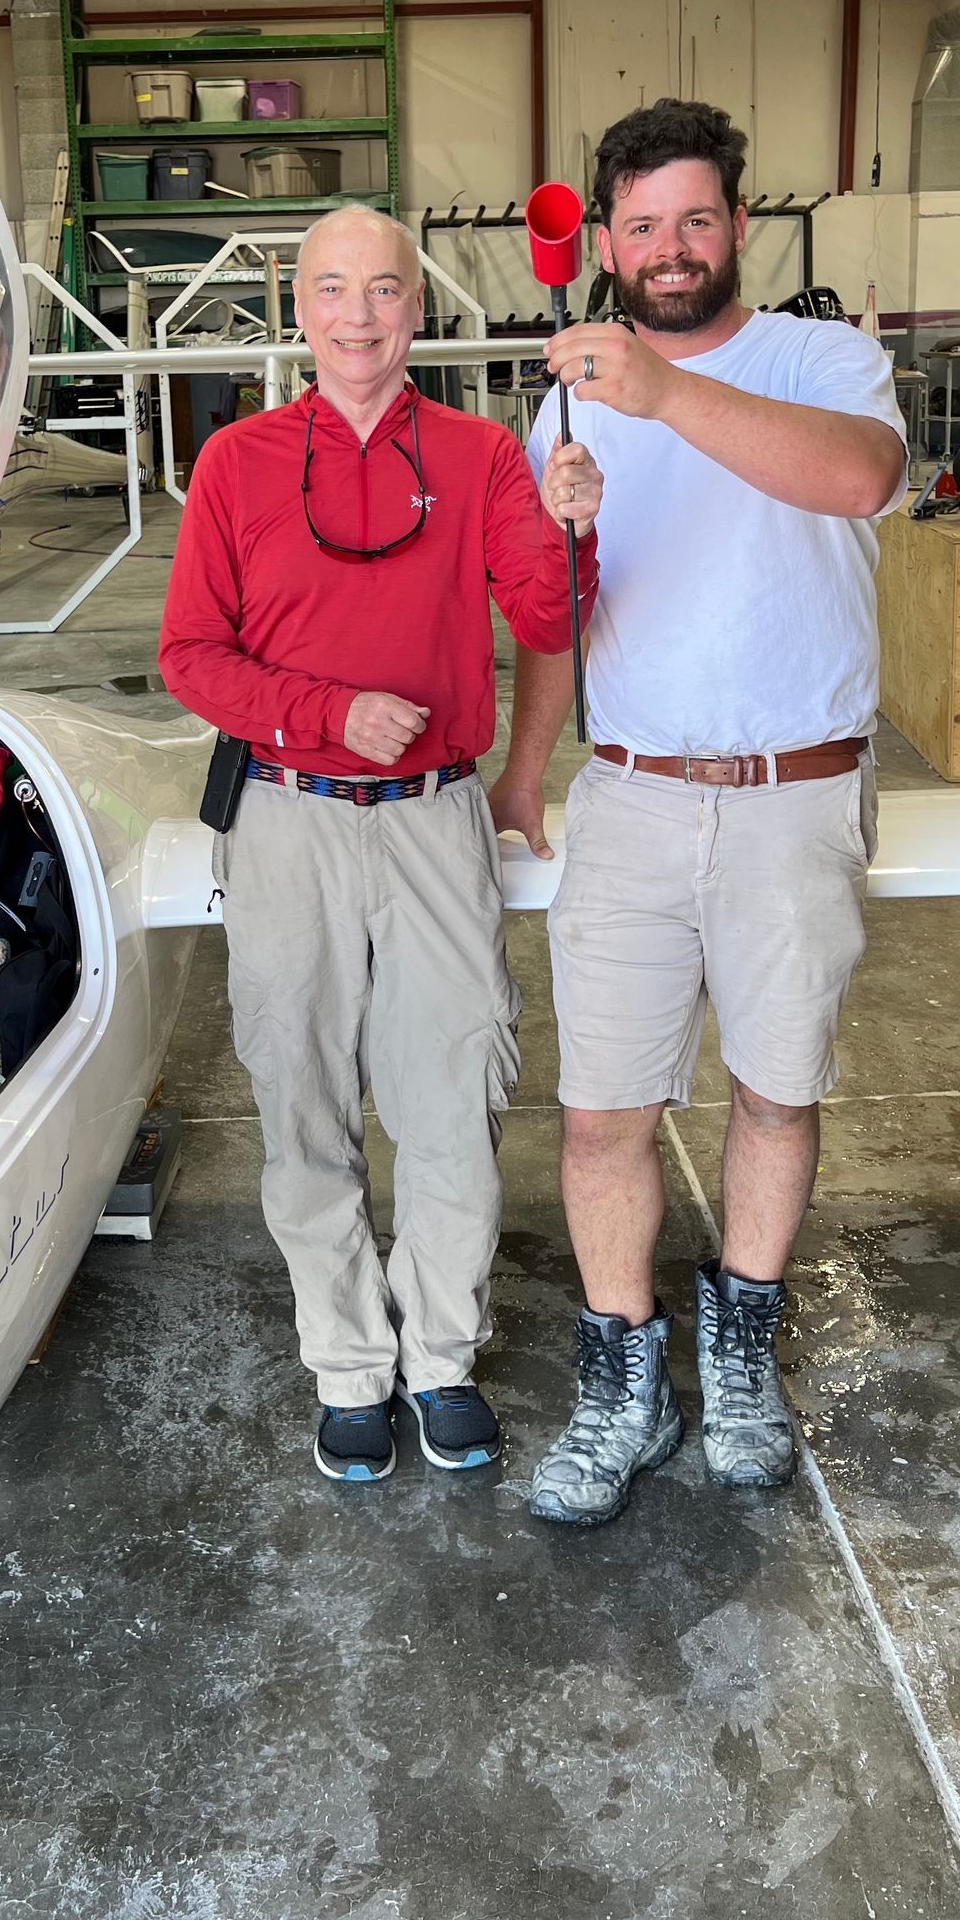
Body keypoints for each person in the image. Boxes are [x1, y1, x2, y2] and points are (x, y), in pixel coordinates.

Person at [488, 100, 908, 1529]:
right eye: (643, 224)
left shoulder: (820, 358)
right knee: (603, 1111)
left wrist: (663, 396)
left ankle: (740, 1350)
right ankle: (622, 1377)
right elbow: (561, 610)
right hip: (638, 796)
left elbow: (860, 480)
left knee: (777, 1090)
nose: (670, 250)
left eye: (696, 220)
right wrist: (525, 759)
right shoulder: (567, 395)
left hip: (797, 794)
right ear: (602, 238)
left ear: (738, 225)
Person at [159, 205, 602, 1485]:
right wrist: (324, 712)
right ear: (299, 309)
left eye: (387, 291)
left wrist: (574, 526)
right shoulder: (238, 463)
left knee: (453, 1096)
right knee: (302, 1100)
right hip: (287, 820)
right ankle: (348, 1365)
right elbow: (190, 653)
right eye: (334, 290)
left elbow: (547, 612)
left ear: (419, 309)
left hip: (432, 819)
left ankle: (443, 1359)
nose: (360, 316)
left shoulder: (478, 458)